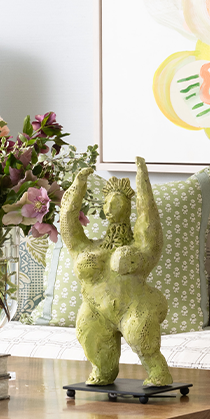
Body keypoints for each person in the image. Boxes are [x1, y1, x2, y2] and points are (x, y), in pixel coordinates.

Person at [59, 156, 172, 386]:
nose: (109, 209)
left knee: (140, 335)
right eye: (107, 204)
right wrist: (78, 186)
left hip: (133, 307)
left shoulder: (139, 248)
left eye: (116, 203)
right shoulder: (89, 247)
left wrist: (142, 181)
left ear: (127, 207)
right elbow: (68, 226)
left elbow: (149, 223)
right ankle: (103, 370)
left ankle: (158, 372)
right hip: (96, 311)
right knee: (90, 337)